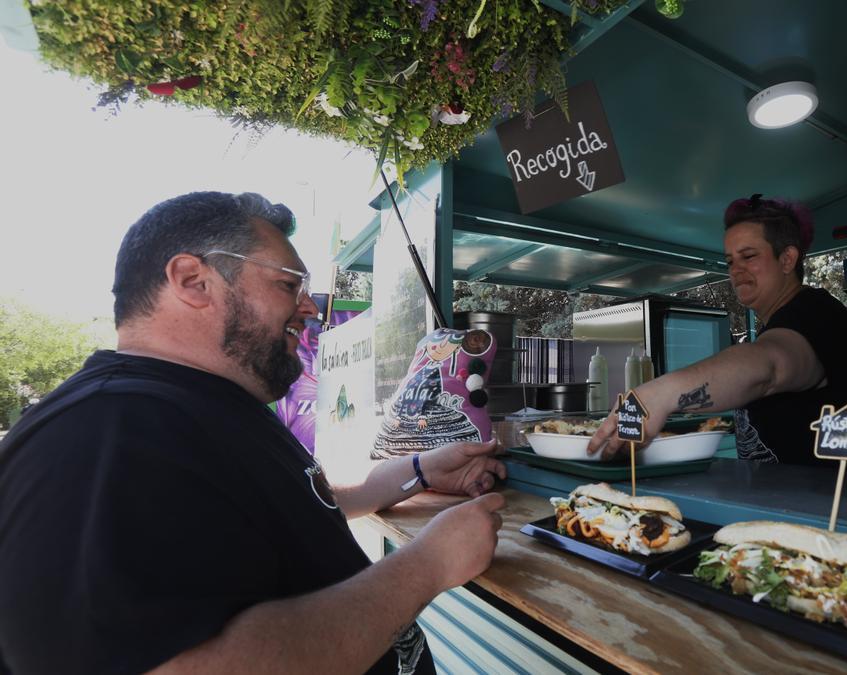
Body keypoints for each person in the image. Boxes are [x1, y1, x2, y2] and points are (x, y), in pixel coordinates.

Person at [0, 192, 507, 674]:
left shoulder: (198, 404)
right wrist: (428, 565)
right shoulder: (106, 431)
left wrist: (419, 470)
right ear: (193, 281)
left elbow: (292, 506)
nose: (310, 308)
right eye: (289, 284)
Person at [588, 194, 847, 469]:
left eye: (749, 257)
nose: (734, 270)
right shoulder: (778, 321)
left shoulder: (815, 311)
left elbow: (768, 366)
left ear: (787, 259)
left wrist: (662, 393)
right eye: (730, 261)